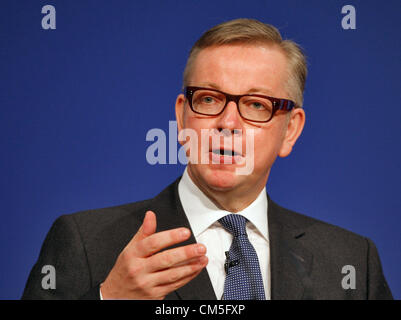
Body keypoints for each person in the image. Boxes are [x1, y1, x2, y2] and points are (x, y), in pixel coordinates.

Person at [22, 18, 393, 300]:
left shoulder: (350, 260)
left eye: (255, 105)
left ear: (290, 130)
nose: (227, 123)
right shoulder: (86, 243)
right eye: (210, 99)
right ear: (183, 116)